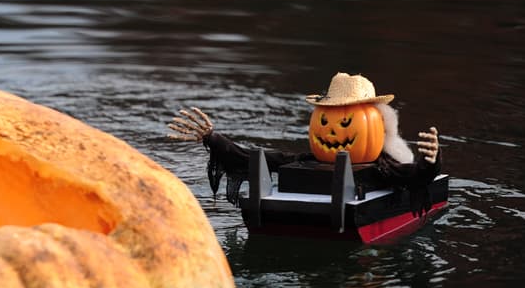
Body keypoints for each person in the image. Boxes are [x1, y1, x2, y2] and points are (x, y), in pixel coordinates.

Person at [167, 72, 441, 213]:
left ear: (377, 124)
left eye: (346, 123)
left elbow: (416, 176)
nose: (332, 133)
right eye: (324, 120)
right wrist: (213, 139)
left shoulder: (385, 168)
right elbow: (250, 158)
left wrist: (432, 160)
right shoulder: (307, 162)